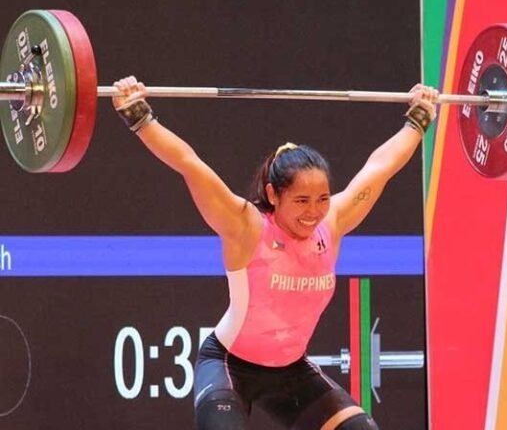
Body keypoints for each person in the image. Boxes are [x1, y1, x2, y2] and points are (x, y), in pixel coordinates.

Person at [112, 76, 438, 430]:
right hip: (229, 365)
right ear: (272, 194)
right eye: (301, 201)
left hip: (291, 372)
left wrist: (419, 119)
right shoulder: (246, 226)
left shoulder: (332, 223)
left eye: (322, 199)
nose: (313, 212)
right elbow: (189, 163)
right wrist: (138, 115)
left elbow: (380, 168)